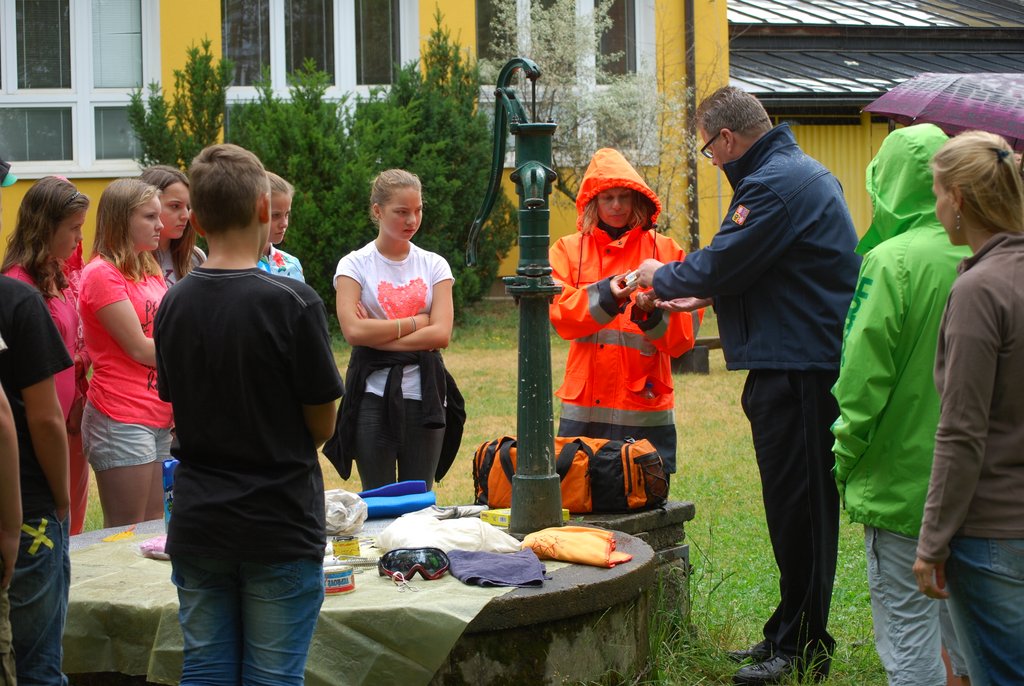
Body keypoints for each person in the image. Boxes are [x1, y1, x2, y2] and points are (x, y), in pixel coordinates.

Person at [636, 86, 860, 684]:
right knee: (789, 509)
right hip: (789, 362)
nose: (714, 161)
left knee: (804, 512)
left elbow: (723, 260)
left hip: (802, 370)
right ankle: (786, 631)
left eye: (710, 151)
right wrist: (710, 290)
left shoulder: (774, 186)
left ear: (727, 139)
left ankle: (804, 647)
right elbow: (769, 269)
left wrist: (662, 274)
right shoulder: (794, 175)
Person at [154, 143, 343, 684]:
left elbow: (178, 404)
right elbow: (322, 425)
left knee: (206, 671)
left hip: (198, 520)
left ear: (199, 215)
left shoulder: (174, 301)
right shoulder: (293, 301)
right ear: (264, 208)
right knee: (273, 676)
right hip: (276, 519)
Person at [830, 124, 970, 686]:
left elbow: (861, 379)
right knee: (971, 638)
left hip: (903, 486)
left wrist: (846, 455)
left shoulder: (891, 262)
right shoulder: (994, 249)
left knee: (910, 641)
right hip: (984, 487)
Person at [913, 130, 1024, 686]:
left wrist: (931, 541)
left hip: (992, 534)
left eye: (937, 193)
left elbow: (961, 430)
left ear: (957, 198)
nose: (936, 206)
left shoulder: (981, 290)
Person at [548, 147, 701, 476]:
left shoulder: (666, 250)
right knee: (579, 498)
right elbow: (560, 315)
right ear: (594, 202)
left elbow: (684, 338)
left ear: (636, 200)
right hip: (585, 405)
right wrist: (607, 296)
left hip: (642, 404)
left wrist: (650, 313)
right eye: (607, 198)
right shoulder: (567, 250)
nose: (616, 206)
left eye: (623, 197)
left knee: (643, 496)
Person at [333, 169, 458, 490]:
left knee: (420, 497)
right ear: (377, 211)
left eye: (417, 210)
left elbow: (441, 334)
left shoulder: (434, 264)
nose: (412, 220)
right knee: (377, 498)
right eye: (401, 212)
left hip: (425, 396)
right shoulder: (354, 265)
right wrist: (417, 322)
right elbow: (353, 333)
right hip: (372, 396)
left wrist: (376, 334)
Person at [0, 157, 75, 686]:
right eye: (73, 229)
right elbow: (36, 419)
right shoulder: (16, 297)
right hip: (26, 497)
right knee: (36, 661)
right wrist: (62, 494)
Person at [79, 178, 173, 528]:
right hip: (121, 415)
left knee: (154, 526)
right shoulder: (102, 274)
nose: (160, 225)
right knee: (125, 530)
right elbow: (138, 347)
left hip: (158, 412)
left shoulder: (147, 268)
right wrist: (199, 354)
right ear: (122, 219)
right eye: (150, 217)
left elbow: (163, 335)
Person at [2, 176, 93, 535]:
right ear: (45, 228)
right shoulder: (20, 287)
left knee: (74, 528)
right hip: (40, 429)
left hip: (67, 422)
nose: (79, 238)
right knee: (51, 521)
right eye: (74, 228)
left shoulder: (56, 275)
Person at [142, 165, 205, 285]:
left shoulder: (195, 257)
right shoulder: (125, 261)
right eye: (175, 206)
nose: (186, 215)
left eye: (188, 207)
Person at [257, 173, 304, 282]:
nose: (284, 223)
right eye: (275, 215)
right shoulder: (234, 266)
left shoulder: (292, 265)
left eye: (287, 214)